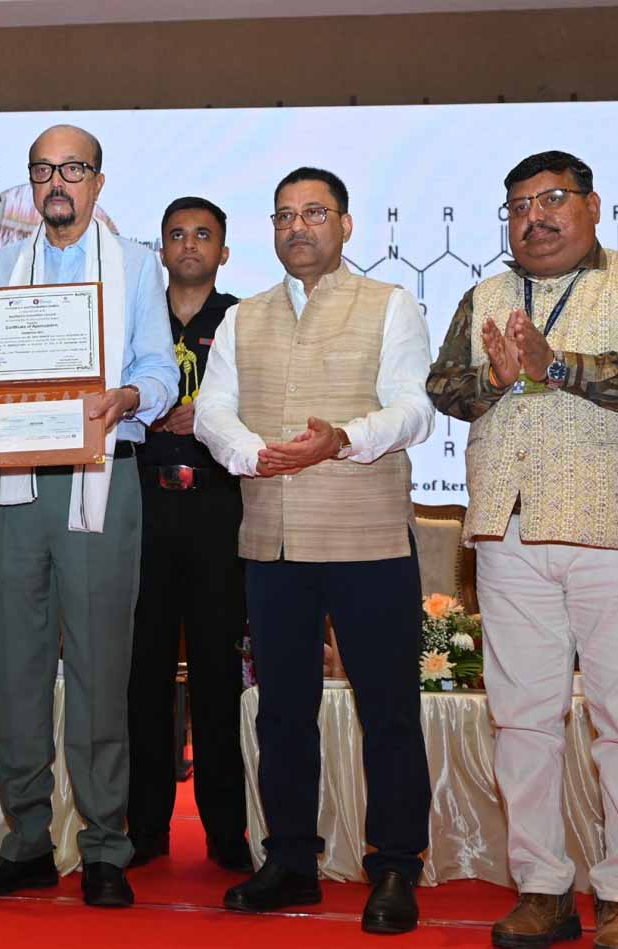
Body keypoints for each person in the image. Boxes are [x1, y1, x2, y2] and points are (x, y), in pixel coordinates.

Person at [427, 151, 618, 949]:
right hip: (509, 533)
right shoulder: (483, 294)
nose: (534, 218)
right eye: (518, 206)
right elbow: (444, 387)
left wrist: (557, 366)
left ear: (592, 205)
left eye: (551, 199)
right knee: (522, 721)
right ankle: (542, 887)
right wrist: (497, 378)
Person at [195, 167, 434, 935]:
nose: (297, 227)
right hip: (272, 540)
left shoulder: (390, 303)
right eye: (284, 215)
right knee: (282, 712)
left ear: (346, 224)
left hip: (368, 536)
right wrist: (249, 454)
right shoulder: (244, 316)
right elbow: (212, 409)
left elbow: (415, 408)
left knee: (388, 710)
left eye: (314, 213)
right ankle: (291, 859)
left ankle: (395, 864)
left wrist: (345, 438)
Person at [0, 125, 178, 908]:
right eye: (43, 169)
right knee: (16, 662)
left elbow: (159, 371)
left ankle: (105, 843)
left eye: (72, 168)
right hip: (17, 482)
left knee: (99, 665)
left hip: (101, 475)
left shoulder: (136, 266)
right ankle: (26, 840)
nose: (58, 182)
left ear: (98, 182)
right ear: (31, 182)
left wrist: (130, 396)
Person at [126, 196, 249, 873]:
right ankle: (144, 828)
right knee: (142, 673)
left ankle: (227, 833)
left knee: (216, 674)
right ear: (161, 249)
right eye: (177, 234)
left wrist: (207, 415)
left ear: (223, 251)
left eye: (203, 234)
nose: (190, 244)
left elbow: (264, 404)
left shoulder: (242, 319)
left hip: (215, 511)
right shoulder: (135, 316)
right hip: (141, 506)